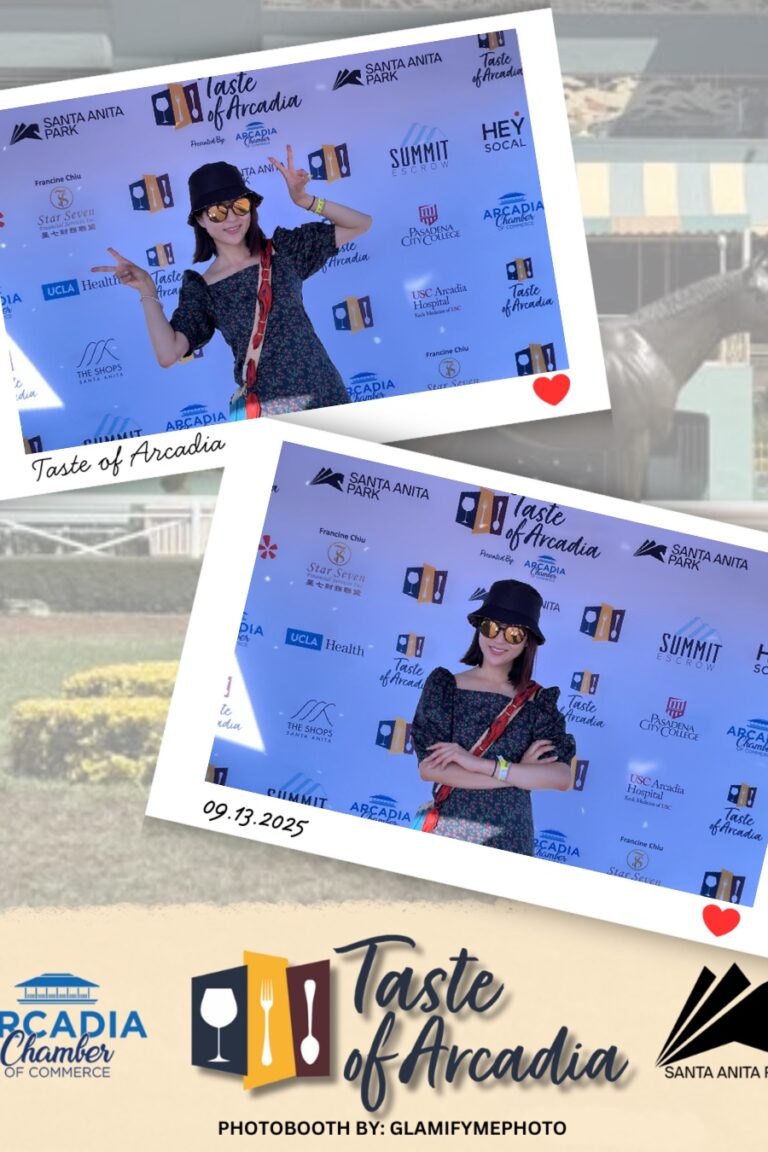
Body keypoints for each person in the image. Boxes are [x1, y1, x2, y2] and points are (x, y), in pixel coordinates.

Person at [92, 148, 372, 418]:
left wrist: (306, 200)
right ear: (200, 220)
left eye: (240, 206)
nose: (232, 218)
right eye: (216, 212)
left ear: (251, 208)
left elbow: (360, 224)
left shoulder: (283, 252)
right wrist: (147, 290)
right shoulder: (203, 289)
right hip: (272, 408)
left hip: (326, 393)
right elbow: (168, 354)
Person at [410, 579, 575, 854]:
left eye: (513, 634)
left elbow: (560, 777)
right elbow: (430, 769)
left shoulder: (538, 702)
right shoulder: (445, 686)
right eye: (491, 627)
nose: (498, 639)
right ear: (479, 629)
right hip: (453, 828)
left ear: (527, 642)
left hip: (512, 837)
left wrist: (475, 764)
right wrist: (518, 772)